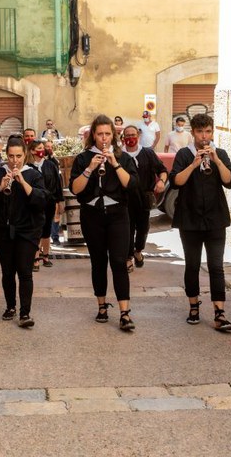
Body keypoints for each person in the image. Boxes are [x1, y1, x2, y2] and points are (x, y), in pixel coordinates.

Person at [70, 115, 139, 331]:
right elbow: (75, 189)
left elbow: (131, 185)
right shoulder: (82, 158)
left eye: (107, 134)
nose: (103, 138)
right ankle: (101, 306)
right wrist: (90, 167)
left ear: (113, 135)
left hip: (118, 215)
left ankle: (125, 313)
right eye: (99, 134)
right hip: (92, 215)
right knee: (98, 262)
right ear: (93, 135)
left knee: (119, 262)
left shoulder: (123, 158)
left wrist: (114, 163)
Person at [169, 113, 231, 331]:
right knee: (193, 265)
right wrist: (193, 164)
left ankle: (220, 313)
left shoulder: (221, 154)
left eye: (207, 131)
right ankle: (193, 307)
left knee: (216, 267)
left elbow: (230, 181)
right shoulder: (183, 154)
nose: (204, 136)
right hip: (189, 219)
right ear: (193, 133)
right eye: (200, 132)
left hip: (215, 219)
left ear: (212, 132)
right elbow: (176, 182)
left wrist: (215, 159)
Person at [0, 135, 47, 327]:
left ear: (25, 155)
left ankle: (25, 313)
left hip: (27, 231)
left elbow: (42, 201)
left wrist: (23, 183)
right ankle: (10, 307)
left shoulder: (34, 175)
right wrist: (0, 188)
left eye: (18, 156)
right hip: (2, 231)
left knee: (25, 271)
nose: (14, 160)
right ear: (6, 155)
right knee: (7, 271)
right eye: (11, 156)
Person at [122, 125, 167, 272]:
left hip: (144, 199)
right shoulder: (118, 156)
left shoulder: (147, 153)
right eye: (127, 135)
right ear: (123, 138)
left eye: (133, 134)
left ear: (139, 136)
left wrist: (161, 181)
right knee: (127, 229)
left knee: (142, 228)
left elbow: (162, 170)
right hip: (125, 200)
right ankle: (128, 258)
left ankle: (138, 251)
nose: (130, 138)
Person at [28, 139, 64, 269]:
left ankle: (46, 256)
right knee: (36, 229)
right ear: (32, 151)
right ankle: (35, 257)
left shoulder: (50, 165)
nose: (41, 150)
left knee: (46, 229)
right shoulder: (28, 166)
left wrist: (60, 202)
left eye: (43, 148)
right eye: (38, 148)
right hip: (34, 203)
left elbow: (58, 185)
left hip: (49, 202)